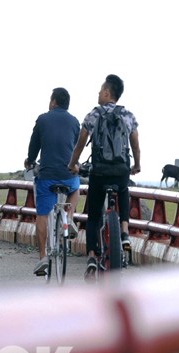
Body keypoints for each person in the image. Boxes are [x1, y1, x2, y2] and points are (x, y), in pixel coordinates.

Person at [68, 74, 141, 280]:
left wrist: (73, 164)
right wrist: (136, 164)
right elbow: (135, 142)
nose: (98, 93)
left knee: (93, 215)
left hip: (99, 172)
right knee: (124, 190)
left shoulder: (93, 114)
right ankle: (125, 232)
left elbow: (81, 143)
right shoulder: (127, 115)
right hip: (120, 170)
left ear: (107, 92)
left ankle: (92, 256)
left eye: (100, 90)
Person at [25, 87, 81, 275]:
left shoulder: (42, 119)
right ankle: (70, 218)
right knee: (75, 189)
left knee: (42, 214)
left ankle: (42, 258)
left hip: (47, 176)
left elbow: (34, 147)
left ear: (53, 101)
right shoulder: (74, 122)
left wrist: (30, 161)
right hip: (68, 174)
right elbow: (74, 148)